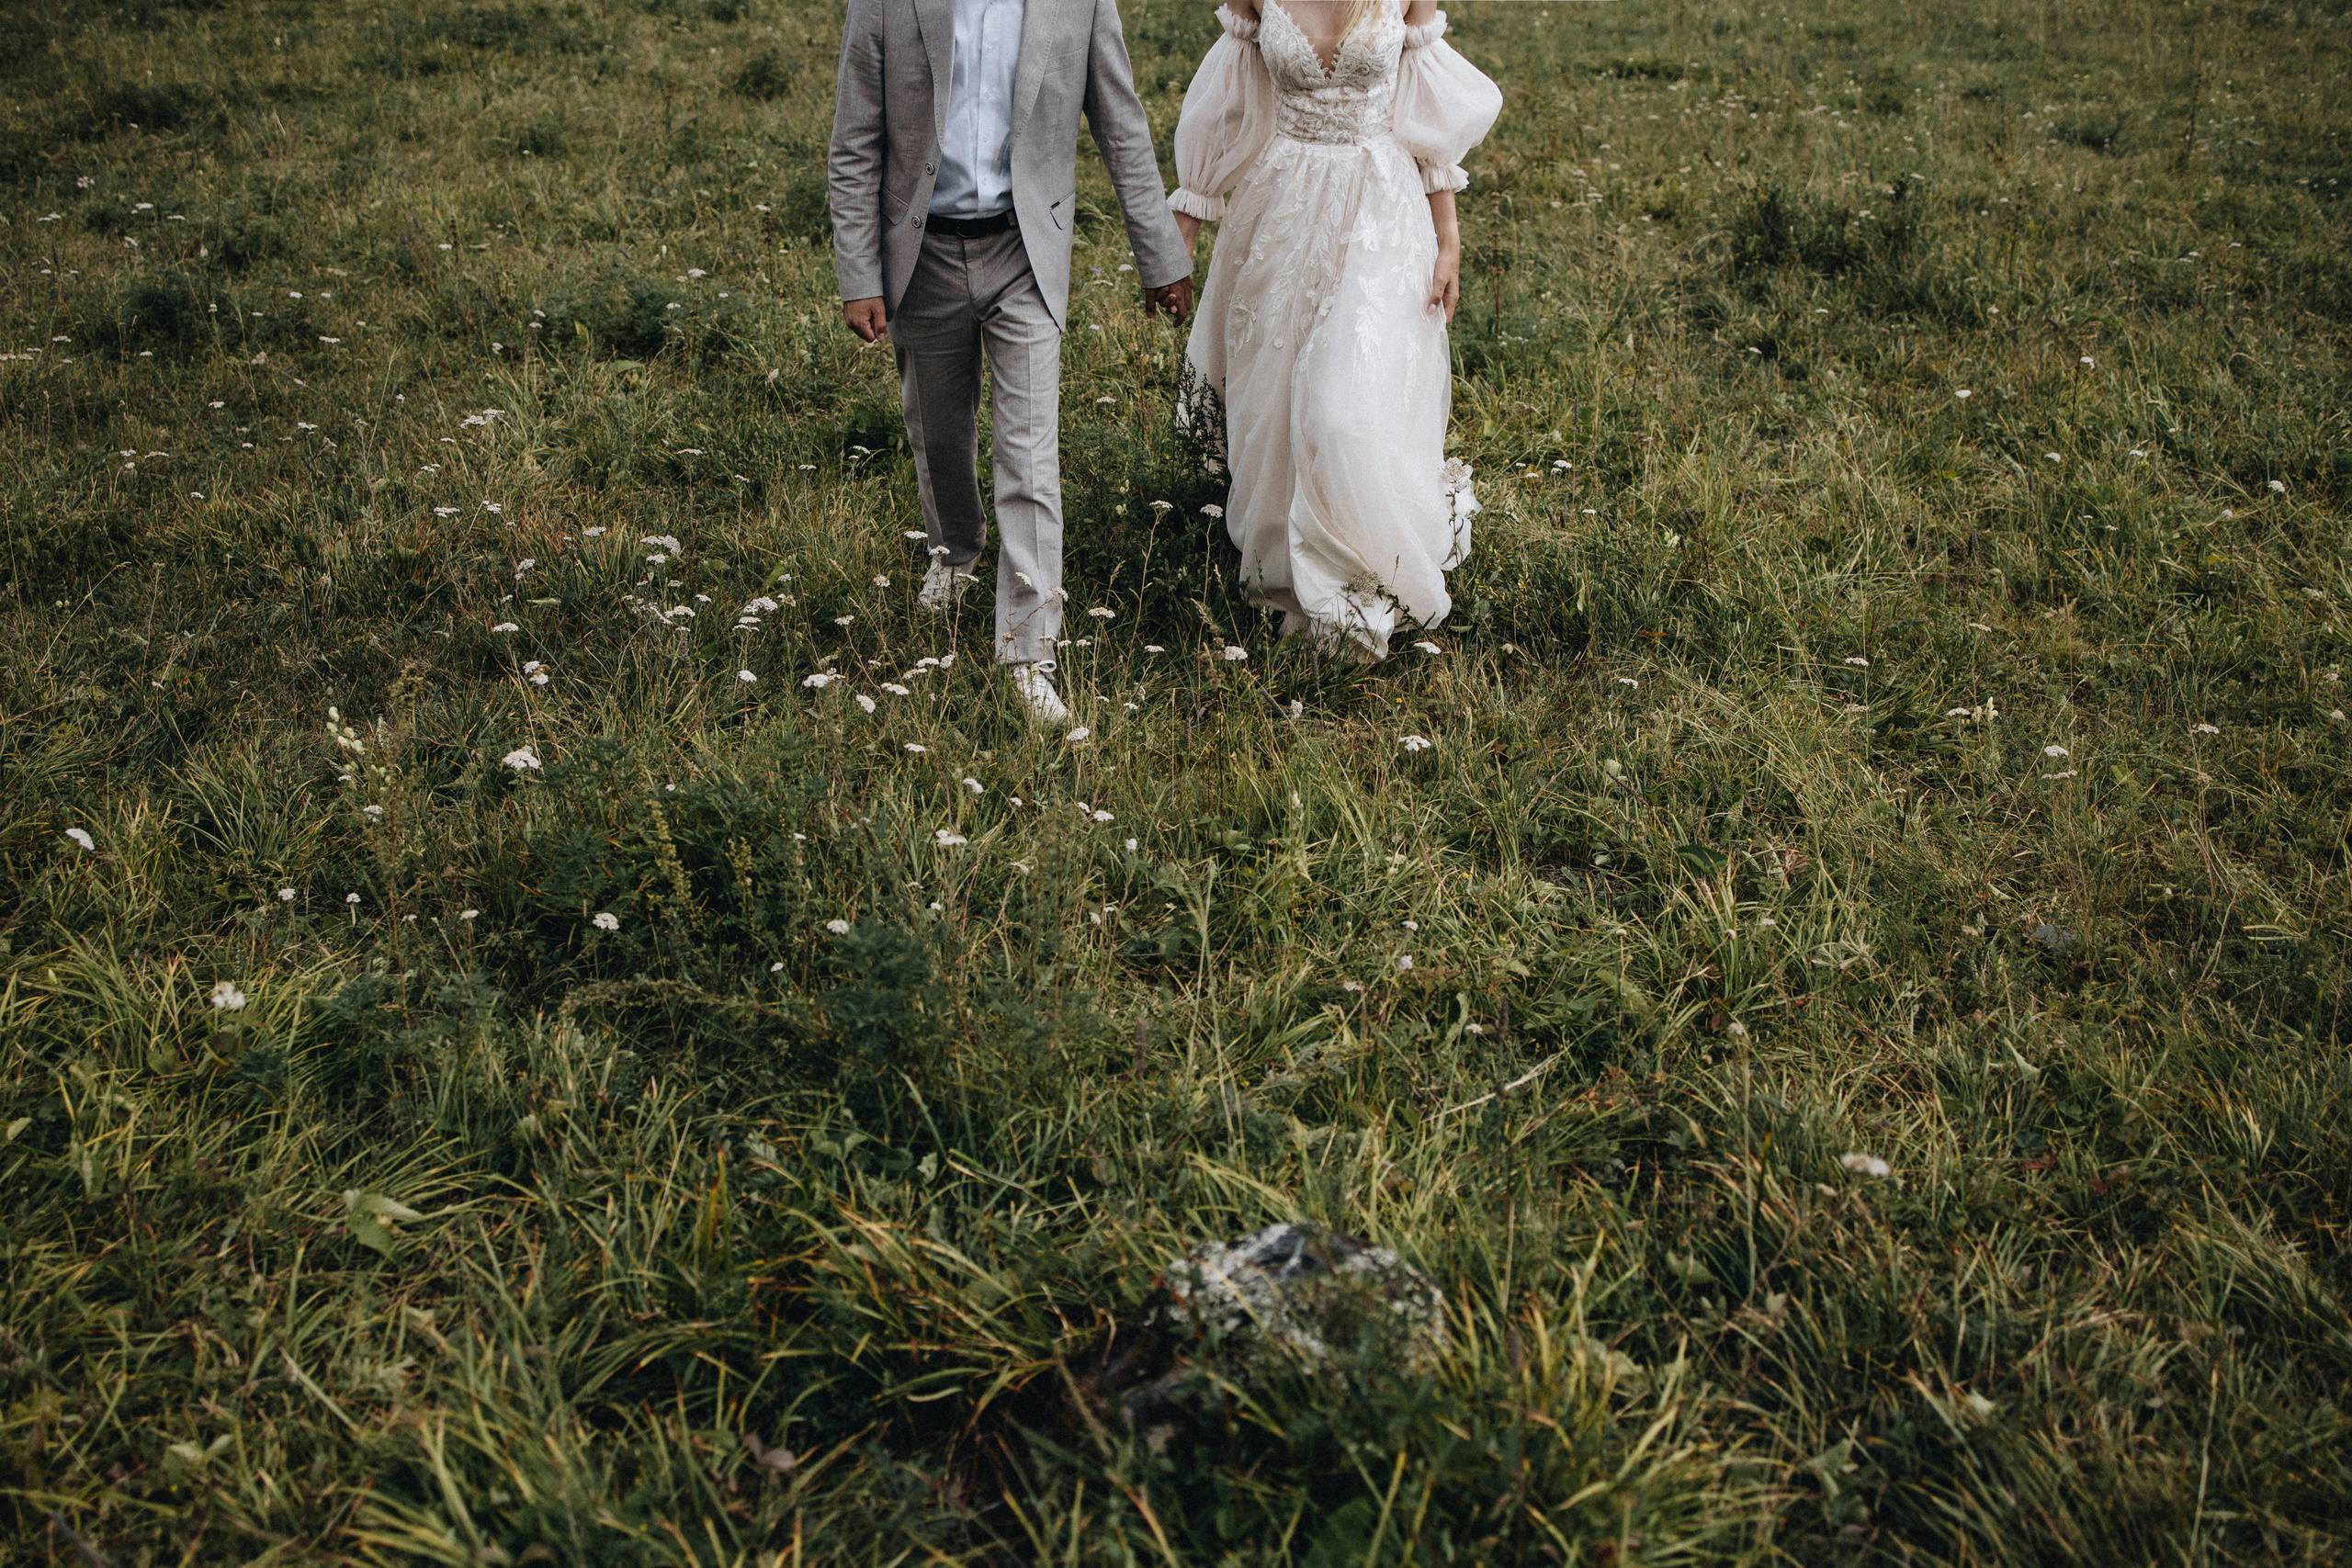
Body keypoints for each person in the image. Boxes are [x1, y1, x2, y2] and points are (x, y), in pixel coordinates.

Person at [830, 0, 1195, 721]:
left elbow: (1122, 128)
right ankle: (955, 552)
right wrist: (859, 274)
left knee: (1029, 456)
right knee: (938, 432)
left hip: (1024, 250)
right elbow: (855, 141)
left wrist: (1161, 256)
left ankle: (1029, 652)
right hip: (923, 250)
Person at [1169, 0, 1500, 660]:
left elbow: (1424, 108)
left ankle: (1354, 583)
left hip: (1379, 213)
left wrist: (1449, 240)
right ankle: (1287, 573)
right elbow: (1226, 98)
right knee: (1274, 402)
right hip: (1283, 208)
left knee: (1341, 412)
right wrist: (1185, 224)